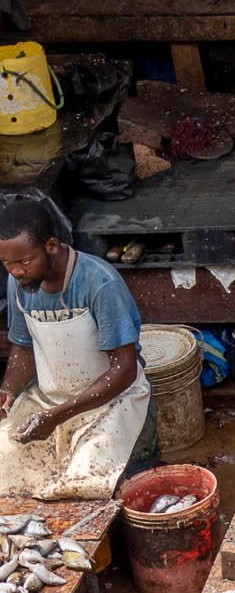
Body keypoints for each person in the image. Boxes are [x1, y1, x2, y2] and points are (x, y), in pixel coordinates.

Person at [0, 196, 154, 500]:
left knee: (86, 485)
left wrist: (58, 416)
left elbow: (124, 369)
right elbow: (24, 348)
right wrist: (7, 391)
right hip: (49, 400)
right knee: (8, 473)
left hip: (113, 402)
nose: (16, 271)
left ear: (51, 246)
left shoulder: (99, 283)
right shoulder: (19, 282)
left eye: (24, 262)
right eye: (7, 263)